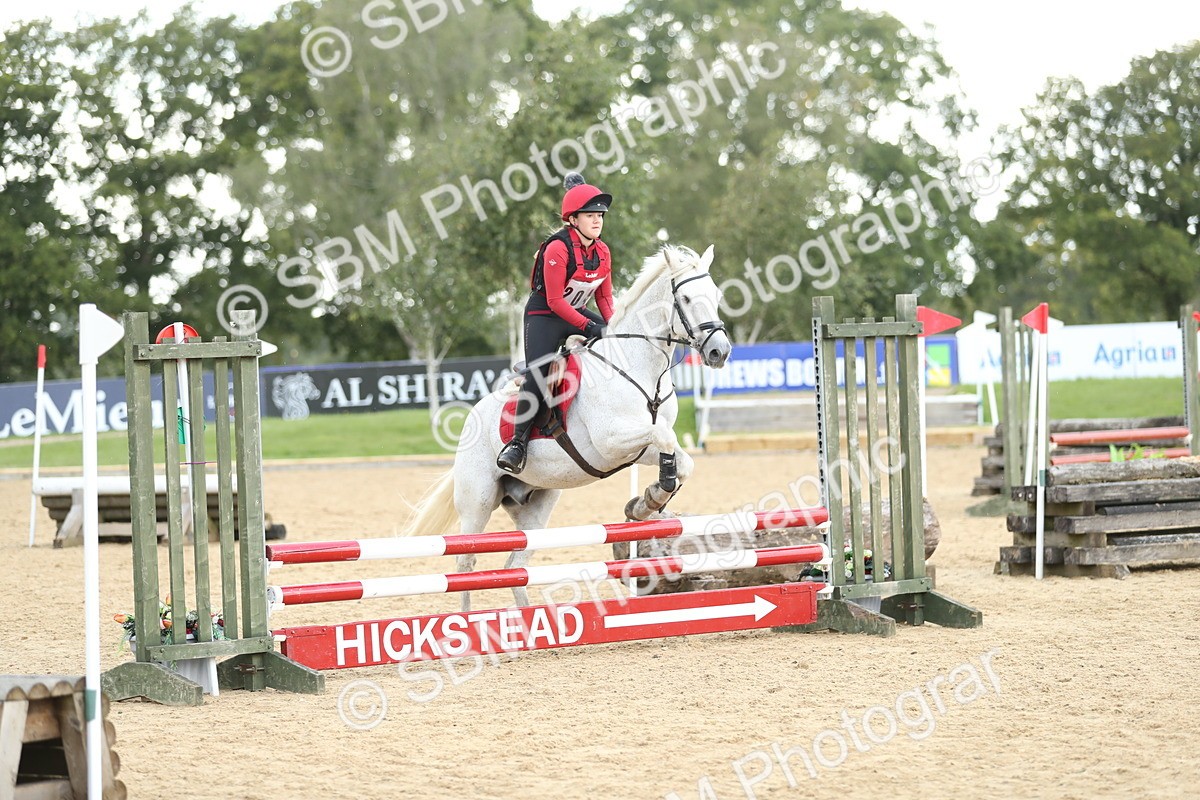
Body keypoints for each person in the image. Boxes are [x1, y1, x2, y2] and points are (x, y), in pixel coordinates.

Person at [496, 172, 615, 474]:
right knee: (538, 375)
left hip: (574, 311)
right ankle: (517, 444)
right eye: (590, 215)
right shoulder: (557, 248)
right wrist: (589, 327)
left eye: (600, 215)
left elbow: (604, 298)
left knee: (615, 343)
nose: (597, 220)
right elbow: (554, 301)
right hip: (545, 317)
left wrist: (612, 330)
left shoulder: (602, 252)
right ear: (573, 219)